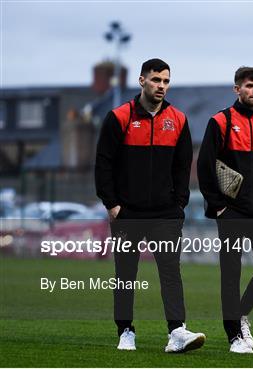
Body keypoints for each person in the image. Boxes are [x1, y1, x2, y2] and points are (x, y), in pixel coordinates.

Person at [95, 58, 205, 353]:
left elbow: (184, 166)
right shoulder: (118, 117)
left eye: (166, 81)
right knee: (126, 275)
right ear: (142, 81)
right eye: (156, 80)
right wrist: (113, 205)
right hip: (127, 212)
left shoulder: (179, 120)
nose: (161, 86)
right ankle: (126, 331)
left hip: (166, 213)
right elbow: (103, 164)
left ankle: (177, 332)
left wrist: (179, 203)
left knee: (170, 271)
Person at [197, 66, 253, 354]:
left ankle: (241, 312)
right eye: (250, 86)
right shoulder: (220, 122)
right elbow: (204, 168)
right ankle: (234, 335)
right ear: (237, 89)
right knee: (231, 273)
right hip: (232, 213)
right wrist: (219, 207)